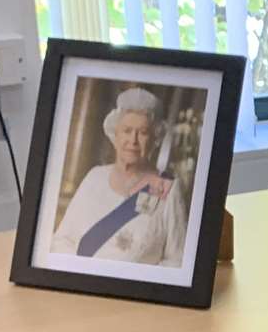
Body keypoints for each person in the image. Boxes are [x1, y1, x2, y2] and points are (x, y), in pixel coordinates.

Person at [50, 86, 188, 267]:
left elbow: (178, 261)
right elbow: (62, 240)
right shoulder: (94, 177)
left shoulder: (167, 189)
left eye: (143, 133)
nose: (133, 140)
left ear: (156, 139)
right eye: (127, 130)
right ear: (115, 134)